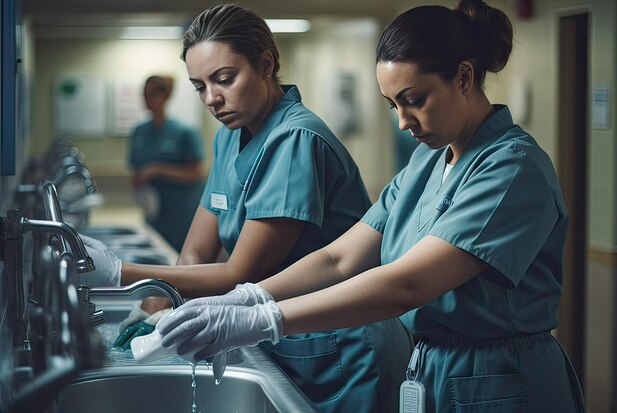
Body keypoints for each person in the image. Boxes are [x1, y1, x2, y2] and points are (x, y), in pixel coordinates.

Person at [156, 1, 587, 412]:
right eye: (393, 104)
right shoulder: (427, 161)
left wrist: (268, 319)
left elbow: (408, 285)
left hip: (498, 378)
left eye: (415, 99)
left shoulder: (511, 167)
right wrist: (247, 298)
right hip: (432, 367)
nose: (403, 121)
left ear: (463, 76)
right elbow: (340, 257)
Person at [85, 4, 412, 412]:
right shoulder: (229, 136)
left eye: (224, 79)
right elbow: (197, 252)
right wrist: (156, 299)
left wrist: (122, 274)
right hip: (281, 333)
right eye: (199, 86)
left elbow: (242, 272)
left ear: (266, 64)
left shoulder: (295, 139)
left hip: (339, 342)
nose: (212, 99)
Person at [128, 75, 206, 252]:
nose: (147, 99)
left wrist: (157, 169)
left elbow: (195, 173)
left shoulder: (185, 131)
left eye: (152, 94)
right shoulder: (140, 132)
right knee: (157, 254)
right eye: (144, 94)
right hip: (155, 211)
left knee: (183, 257)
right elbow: (135, 169)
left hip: (184, 211)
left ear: (165, 96)